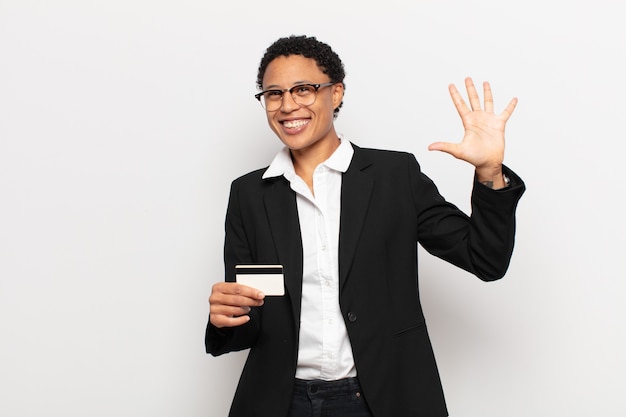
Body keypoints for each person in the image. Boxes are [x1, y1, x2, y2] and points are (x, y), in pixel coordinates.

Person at [205, 35, 525, 417]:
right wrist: (225, 319)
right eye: (273, 93)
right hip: (280, 401)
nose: (287, 104)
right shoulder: (249, 194)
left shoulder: (394, 176)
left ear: (336, 93)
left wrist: (489, 172)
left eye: (303, 89)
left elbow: (486, 259)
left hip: (381, 399)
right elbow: (251, 314)